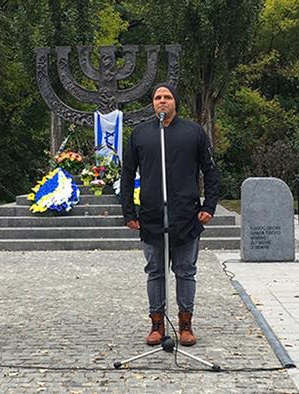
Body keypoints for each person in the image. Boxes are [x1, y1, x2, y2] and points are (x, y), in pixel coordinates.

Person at [120, 83, 220, 347]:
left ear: (175, 102)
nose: (162, 101)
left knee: (185, 270)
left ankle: (186, 324)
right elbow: (127, 174)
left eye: (167, 97)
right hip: (152, 215)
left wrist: (209, 206)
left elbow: (210, 171)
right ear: (152, 103)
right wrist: (128, 211)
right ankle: (157, 324)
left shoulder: (194, 132)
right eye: (157, 97)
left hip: (185, 216)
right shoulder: (140, 134)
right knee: (155, 271)